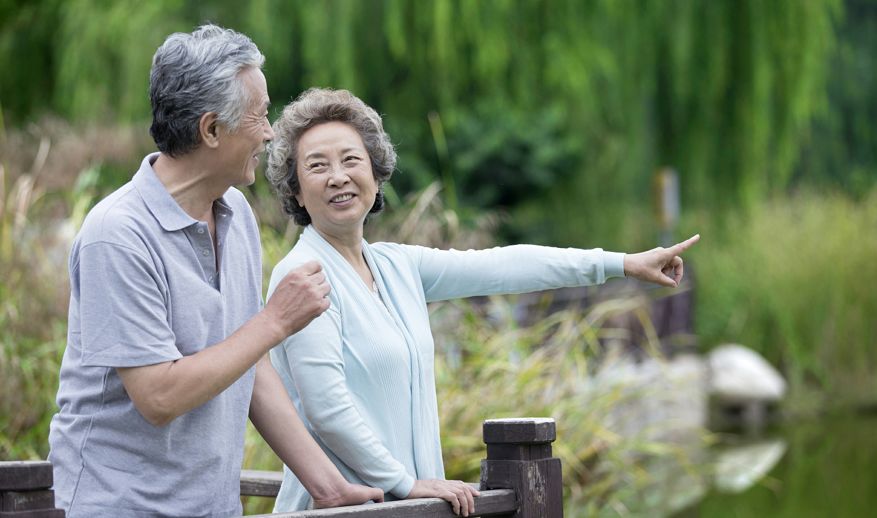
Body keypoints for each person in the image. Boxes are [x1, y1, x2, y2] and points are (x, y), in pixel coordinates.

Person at [263, 87, 700, 516]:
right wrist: (405, 483)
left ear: (376, 176)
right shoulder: (302, 276)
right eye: (317, 166)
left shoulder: (397, 266)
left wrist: (621, 263)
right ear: (297, 191)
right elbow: (326, 409)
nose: (338, 176)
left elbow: (506, 265)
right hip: (346, 511)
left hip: (408, 507)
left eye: (351, 160)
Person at [47, 27, 383, 517]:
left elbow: (249, 364)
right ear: (210, 130)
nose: (270, 133)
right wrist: (274, 322)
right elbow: (158, 395)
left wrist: (327, 486)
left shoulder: (235, 213)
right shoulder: (116, 234)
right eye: (260, 115)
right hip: (117, 507)